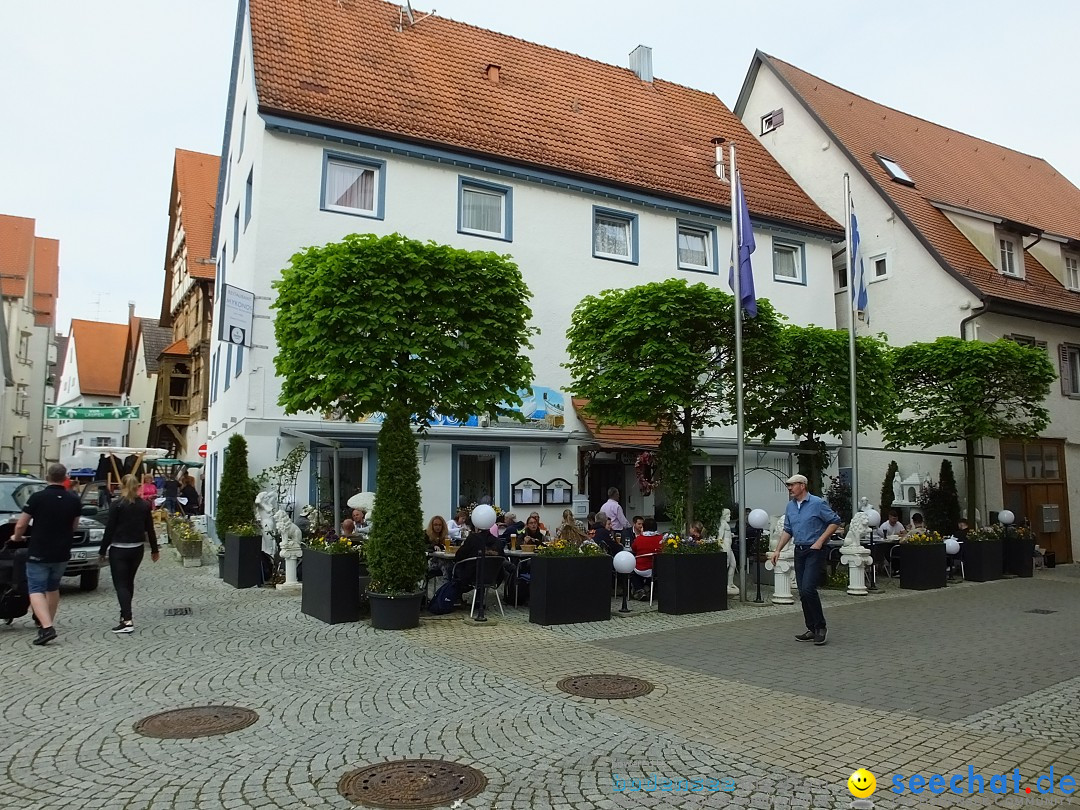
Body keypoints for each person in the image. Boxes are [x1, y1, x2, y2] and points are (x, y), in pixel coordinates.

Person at [11, 463, 83, 646]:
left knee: (35, 588)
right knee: (53, 587)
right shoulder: (73, 499)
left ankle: (47, 626)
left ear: (47, 477)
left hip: (39, 549)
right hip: (62, 551)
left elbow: (21, 524)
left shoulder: (37, 497)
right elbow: (74, 526)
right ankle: (45, 622)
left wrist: (16, 537)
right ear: (65, 477)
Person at [770, 474, 841, 646]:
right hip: (799, 550)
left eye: (792, 485)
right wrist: (777, 550)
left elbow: (835, 521)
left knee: (809, 588)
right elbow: (788, 530)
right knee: (802, 592)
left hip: (814, 550)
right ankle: (811, 628)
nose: (789, 488)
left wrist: (820, 541)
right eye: (788, 486)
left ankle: (821, 627)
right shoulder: (790, 506)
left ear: (802, 485)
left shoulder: (817, 503)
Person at [97, 474, 160, 633]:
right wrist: (154, 549)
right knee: (129, 582)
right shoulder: (144, 505)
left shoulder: (117, 505)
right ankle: (124, 614)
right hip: (137, 548)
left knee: (120, 584)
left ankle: (127, 620)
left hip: (119, 548)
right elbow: (150, 529)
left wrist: (102, 550)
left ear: (122, 486)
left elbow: (109, 529)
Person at [630, 516, 663, 599]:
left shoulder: (640, 539)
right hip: (656, 570)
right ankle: (647, 587)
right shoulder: (661, 539)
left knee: (631, 571)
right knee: (653, 573)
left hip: (640, 569)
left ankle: (639, 589)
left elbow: (633, 548)